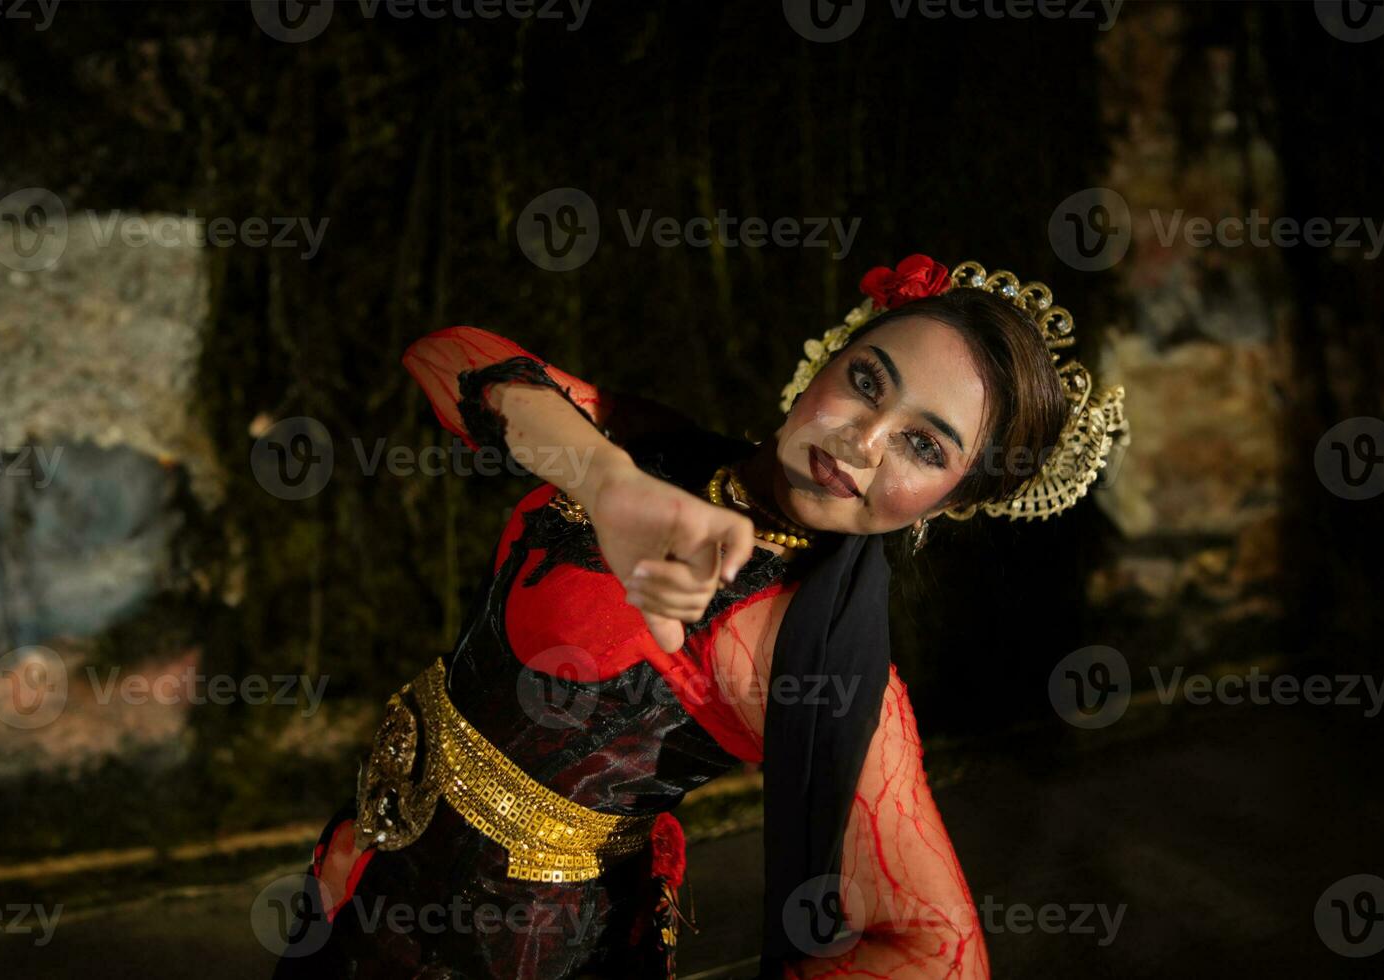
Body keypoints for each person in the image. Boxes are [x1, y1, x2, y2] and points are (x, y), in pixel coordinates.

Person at [268, 255, 1127, 978]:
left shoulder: (795, 644)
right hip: (361, 878)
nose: (860, 441)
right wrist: (607, 481)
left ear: (954, 499)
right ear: (828, 358)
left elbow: (936, 953)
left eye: (923, 445)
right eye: (866, 382)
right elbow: (448, 357)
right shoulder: (662, 450)